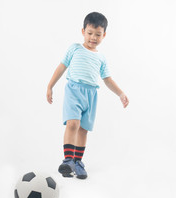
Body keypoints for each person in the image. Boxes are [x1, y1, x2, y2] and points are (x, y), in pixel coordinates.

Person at [46, 12, 129, 179]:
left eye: (98, 34)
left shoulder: (101, 58)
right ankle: (68, 160)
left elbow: (107, 79)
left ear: (104, 35)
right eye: (90, 33)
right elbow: (61, 67)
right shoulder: (75, 48)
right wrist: (50, 86)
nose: (93, 37)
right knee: (72, 124)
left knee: (83, 130)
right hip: (74, 91)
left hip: (91, 95)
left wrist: (120, 93)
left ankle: (77, 162)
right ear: (83, 31)